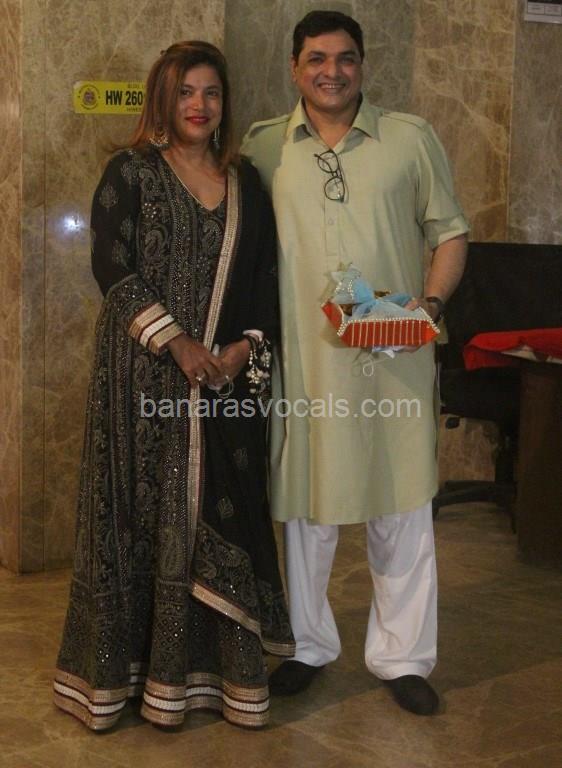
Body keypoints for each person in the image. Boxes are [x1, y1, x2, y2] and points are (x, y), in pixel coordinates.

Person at [53, 40, 294, 732]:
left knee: (218, 514)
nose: (199, 105)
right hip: (141, 382)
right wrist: (177, 342)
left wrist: (243, 348)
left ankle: (212, 679)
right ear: (163, 98)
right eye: (185, 91)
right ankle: (121, 679)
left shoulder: (245, 181)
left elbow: (265, 277)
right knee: (137, 521)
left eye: (211, 92)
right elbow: (112, 264)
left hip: (221, 385)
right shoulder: (130, 172)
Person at [242, 11, 468, 716]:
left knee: (401, 504)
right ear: (294, 67)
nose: (331, 71)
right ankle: (307, 646)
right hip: (305, 364)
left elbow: (450, 232)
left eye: (345, 58)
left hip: (394, 358)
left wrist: (431, 304)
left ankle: (403, 657)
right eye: (316, 58)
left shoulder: (409, 138)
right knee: (306, 508)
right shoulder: (263, 148)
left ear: (362, 65)